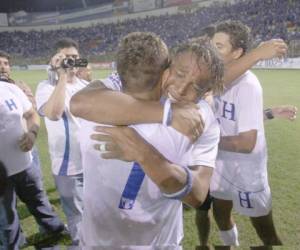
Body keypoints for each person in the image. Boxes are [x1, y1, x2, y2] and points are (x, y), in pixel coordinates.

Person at [71, 32, 223, 247]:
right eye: (179, 74)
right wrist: (167, 114)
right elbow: (78, 104)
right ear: (167, 66)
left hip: (160, 242)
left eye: (197, 87)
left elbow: (198, 195)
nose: (181, 89)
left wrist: (144, 154)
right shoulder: (116, 87)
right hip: (98, 240)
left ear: (207, 90)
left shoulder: (202, 118)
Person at [208, 20, 282, 246]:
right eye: (212, 44)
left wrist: (206, 141)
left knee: (263, 227)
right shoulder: (214, 77)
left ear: (237, 52)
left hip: (246, 170)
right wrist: (270, 113)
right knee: (220, 214)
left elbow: (246, 142)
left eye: (219, 47)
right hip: (220, 164)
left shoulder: (248, 85)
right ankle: (229, 243)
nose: (211, 50)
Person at [0, 80, 65, 250]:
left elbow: (31, 114)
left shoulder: (9, 88)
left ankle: (55, 238)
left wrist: (32, 134)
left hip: (25, 165)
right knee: (7, 221)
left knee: (41, 205)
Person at [35, 38, 88, 245]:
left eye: (75, 57)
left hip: (92, 161)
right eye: (67, 57)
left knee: (95, 211)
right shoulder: (46, 86)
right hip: (69, 165)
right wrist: (62, 77)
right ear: (56, 59)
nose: (72, 61)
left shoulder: (86, 85)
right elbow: (54, 114)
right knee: (77, 215)